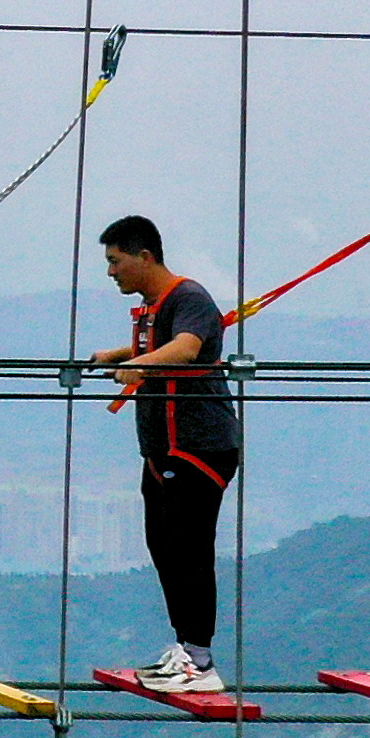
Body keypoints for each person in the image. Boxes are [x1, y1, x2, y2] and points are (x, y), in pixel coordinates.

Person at [87, 215, 240, 694]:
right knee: (166, 548)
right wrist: (118, 355)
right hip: (163, 450)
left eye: (115, 261)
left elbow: (188, 348)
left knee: (189, 550)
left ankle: (199, 659)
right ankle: (187, 647)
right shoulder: (155, 307)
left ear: (144, 257)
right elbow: (163, 344)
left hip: (197, 448)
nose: (111, 272)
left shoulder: (187, 296)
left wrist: (135, 365)